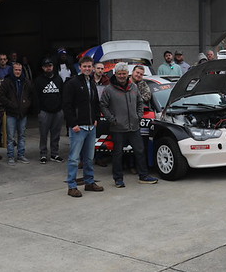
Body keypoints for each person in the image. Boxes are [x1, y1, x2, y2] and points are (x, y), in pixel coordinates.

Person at [100, 62, 158, 187]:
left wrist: (139, 115)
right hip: (117, 128)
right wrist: (111, 119)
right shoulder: (109, 89)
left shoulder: (134, 87)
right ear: (115, 74)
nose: (122, 76)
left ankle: (143, 175)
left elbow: (140, 102)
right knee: (117, 154)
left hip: (134, 126)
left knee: (140, 151)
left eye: (124, 74)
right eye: (119, 74)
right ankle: (118, 179)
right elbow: (103, 105)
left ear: (128, 74)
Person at [62, 56, 104, 197]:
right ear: (80, 67)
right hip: (79, 128)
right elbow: (67, 106)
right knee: (74, 159)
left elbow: (96, 103)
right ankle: (72, 186)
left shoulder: (91, 82)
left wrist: (96, 118)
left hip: (91, 126)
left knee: (89, 158)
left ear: (92, 68)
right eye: (84, 66)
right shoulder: (72, 83)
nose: (87, 69)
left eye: (89, 66)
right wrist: (73, 124)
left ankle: (89, 182)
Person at [0, 62, 34, 164]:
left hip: (23, 113)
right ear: (12, 70)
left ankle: (21, 155)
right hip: (11, 113)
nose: (18, 72)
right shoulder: (7, 81)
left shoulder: (26, 82)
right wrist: (10, 104)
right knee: (10, 137)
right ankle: (10, 156)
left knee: (22, 135)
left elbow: (31, 95)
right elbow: (1, 96)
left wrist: (27, 104)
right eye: (16, 70)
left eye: (19, 70)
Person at [34, 57, 65, 164]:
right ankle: (43, 154)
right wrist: (38, 111)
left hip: (58, 111)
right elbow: (36, 96)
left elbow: (62, 94)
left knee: (56, 134)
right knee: (43, 134)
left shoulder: (58, 79)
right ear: (43, 68)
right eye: (46, 66)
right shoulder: (38, 80)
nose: (48, 68)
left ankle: (54, 154)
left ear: (53, 67)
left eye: (50, 66)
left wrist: (61, 108)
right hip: (44, 112)